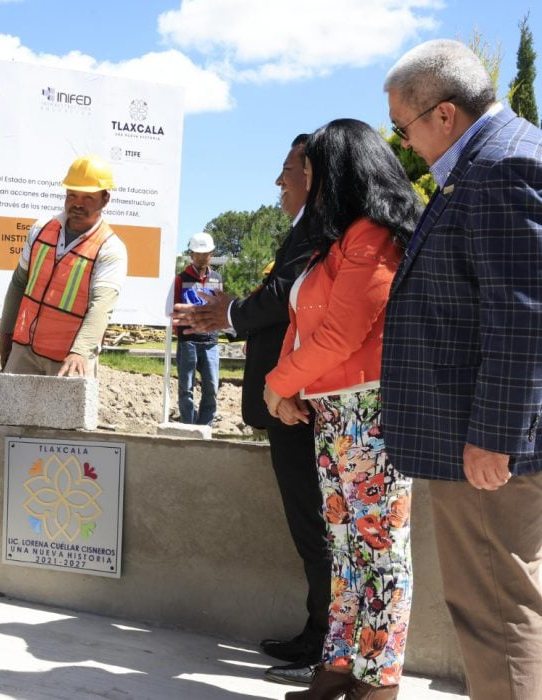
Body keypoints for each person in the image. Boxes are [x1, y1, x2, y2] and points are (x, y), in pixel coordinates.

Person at [381, 39, 542, 700]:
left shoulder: (502, 166)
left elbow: (525, 315)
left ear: (443, 114)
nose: (404, 141)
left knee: (497, 618)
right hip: (478, 443)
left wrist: (495, 435)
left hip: (484, 454)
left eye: (403, 125)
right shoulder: (497, 158)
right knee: (503, 609)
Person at [261, 119, 421, 700]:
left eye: (314, 169)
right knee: (347, 550)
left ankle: (378, 681)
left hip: (372, 410)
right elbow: (307, 325)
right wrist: (290, 388)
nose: (308, 180)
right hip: (334, 412)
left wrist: (278, 385)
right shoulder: (341, 238)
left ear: (342, 170)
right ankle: (339, 667)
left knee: (379, 550)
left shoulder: (374, 235)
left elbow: (341, 333)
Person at [172, 134, 330, 685]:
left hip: (301, 404)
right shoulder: (304, 230)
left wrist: (230, 313)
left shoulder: (320, 230)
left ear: (313, 174)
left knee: (317, 524)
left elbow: (283, 298)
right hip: (285, 402)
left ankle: (327, 642)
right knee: (307, 523)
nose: (278, 181)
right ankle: (318, 633)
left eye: (288, 170)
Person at [0, 155, 128, 377]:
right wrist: (6, 332)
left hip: (70, 359)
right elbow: (19, 283)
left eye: (88, 197)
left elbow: (101, 305)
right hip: (25, 349)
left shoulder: (110, 248)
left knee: (67, 412)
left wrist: (80, 352)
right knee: (13, 411)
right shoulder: (41, 229)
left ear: (105, 198)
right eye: (72, 195)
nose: (77, 203)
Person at [172, 232, 223, 425]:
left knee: (211, 386)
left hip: (210, 342)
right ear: (191, 254)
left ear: (211, 254)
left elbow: (220, 308)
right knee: (186, 387)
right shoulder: (181, 279)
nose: (202, 257)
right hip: (188, 341)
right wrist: (181, 333)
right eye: (198, 253)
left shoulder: (217, 278)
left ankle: (205, 427)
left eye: (206, 253)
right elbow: (175, 308)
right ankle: (188, 425)